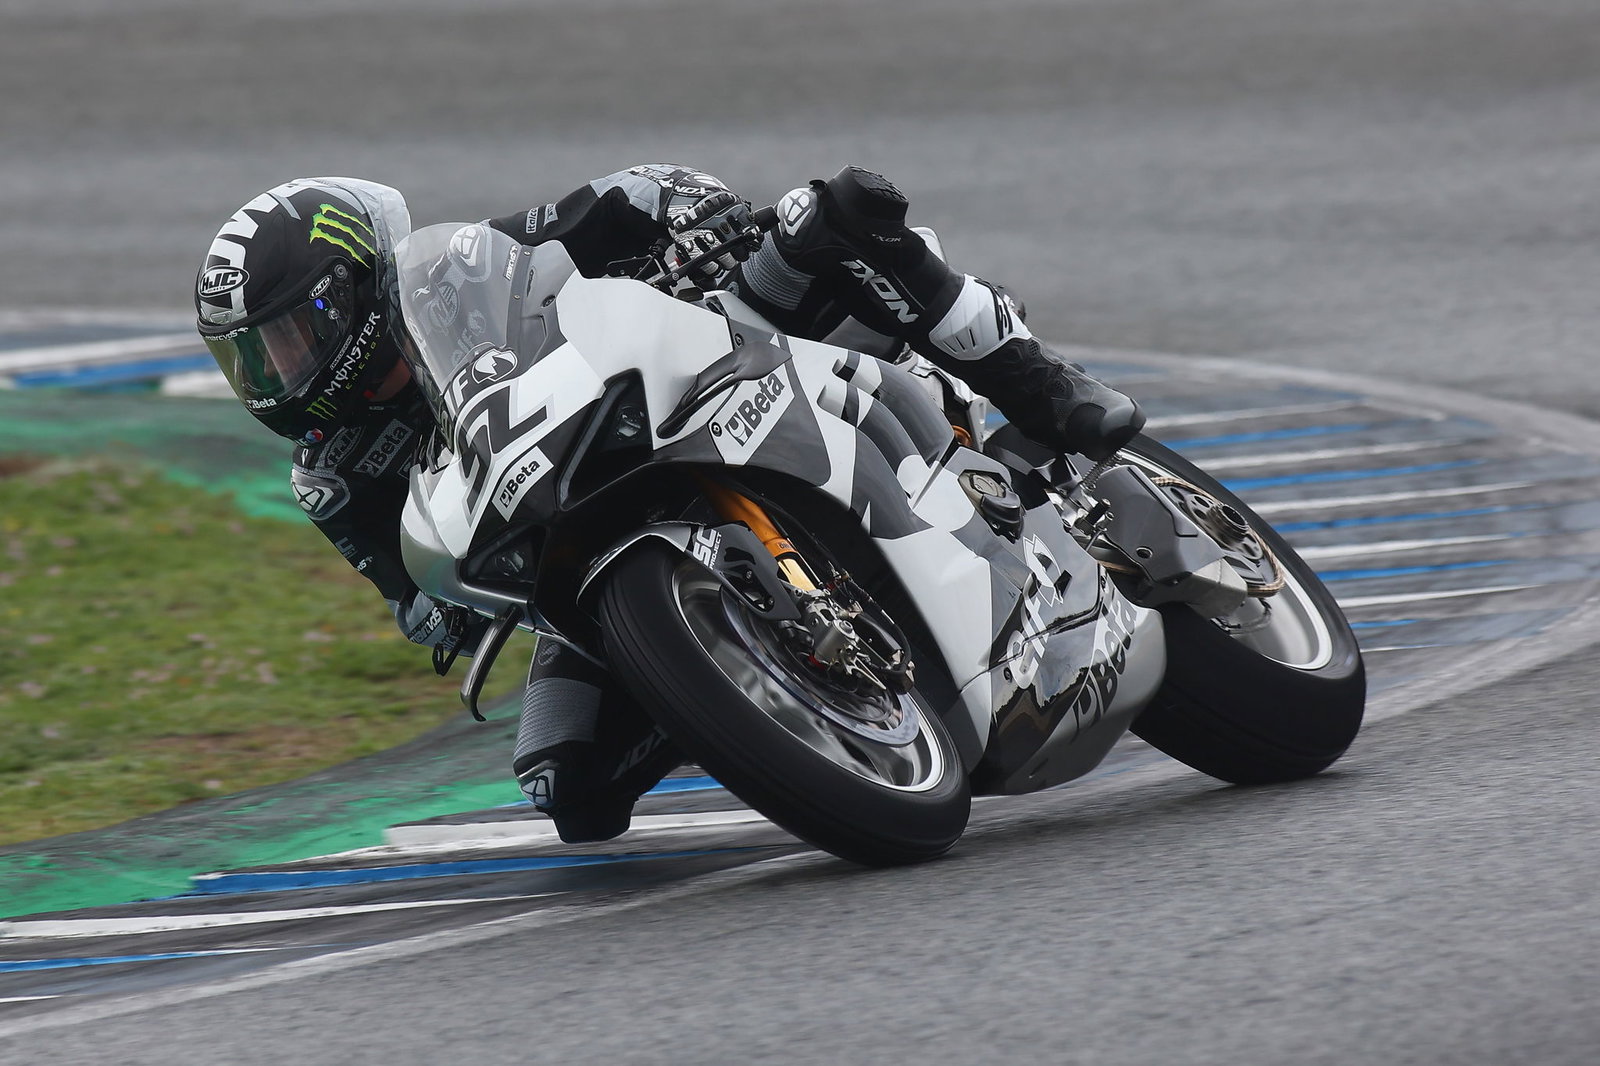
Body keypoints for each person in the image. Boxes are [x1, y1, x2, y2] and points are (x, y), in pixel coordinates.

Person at [194, 164, 1145, 843]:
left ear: (353, 283)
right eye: (253, 359)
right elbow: (409, 598)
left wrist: (696, 225)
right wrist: (447, 604)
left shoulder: (469, 270)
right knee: (571, 793)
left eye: (287, 336)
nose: (277, 374)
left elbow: (636, 196)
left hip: (691, 373)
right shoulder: (335, 473)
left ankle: (1038, 386)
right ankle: (755, 682)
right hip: (567, 546)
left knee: (832, 214)